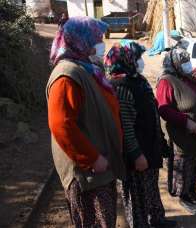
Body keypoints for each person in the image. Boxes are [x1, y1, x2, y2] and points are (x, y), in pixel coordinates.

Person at [47, 16, 125, 228]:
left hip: (100, 167)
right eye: (97, 38)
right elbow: (61, 124)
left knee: (106, 221)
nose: (101, 43)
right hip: (88, 174)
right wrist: (92, 158)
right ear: (82, 41)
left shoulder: (85, 68)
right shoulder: (66, 75)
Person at [104, 40, 177, 228]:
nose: (141, 61)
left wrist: (161, 142)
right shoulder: (120, 87)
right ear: (127, 60)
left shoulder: (138, 80)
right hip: (136, 155)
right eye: (138, 58)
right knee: (136, 196)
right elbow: (126, 126)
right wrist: (136, 154)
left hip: (149, 147)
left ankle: (157, 220)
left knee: (151, 189)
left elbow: (152, 112)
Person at [156, 47, 196, 215]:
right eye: (184, 62)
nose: (188, 64)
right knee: (184, 166)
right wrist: (185, 122)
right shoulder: (167, 81)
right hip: (183, 134)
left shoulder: (189, 78)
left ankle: (192, 191)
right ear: (174, 64)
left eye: (188, 61)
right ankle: (184, 196)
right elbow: (163, 109)